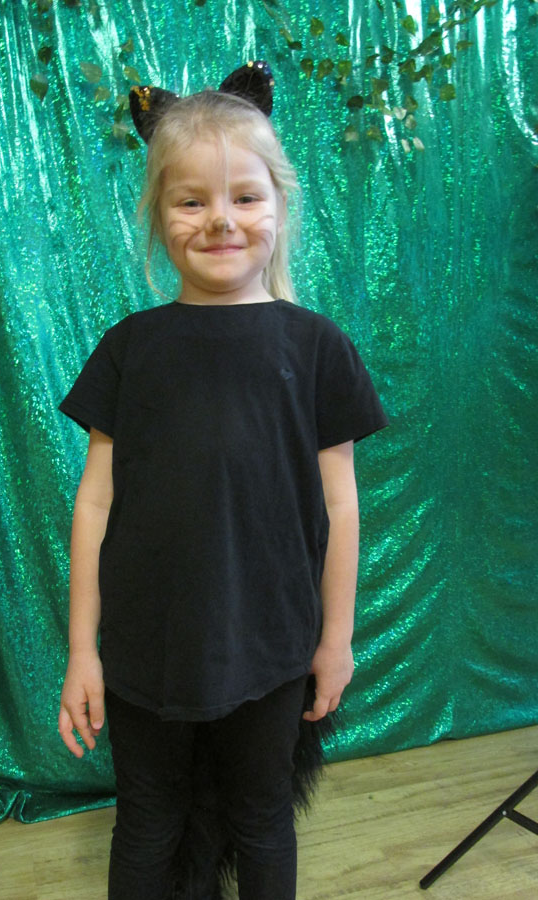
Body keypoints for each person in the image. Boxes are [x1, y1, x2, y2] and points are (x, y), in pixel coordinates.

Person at [57, 61, 388, 900]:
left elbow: (340, 505)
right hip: (144, 646)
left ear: (278, 206)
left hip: (272, 642)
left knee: (262, 817)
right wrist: (82, 652)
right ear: (157, 216)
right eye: (191, 201)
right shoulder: (129, 348)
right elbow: (94, 502)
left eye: (244, 196)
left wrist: (335, 639)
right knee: (147, 821)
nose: (219, 220)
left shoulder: (317, 348)